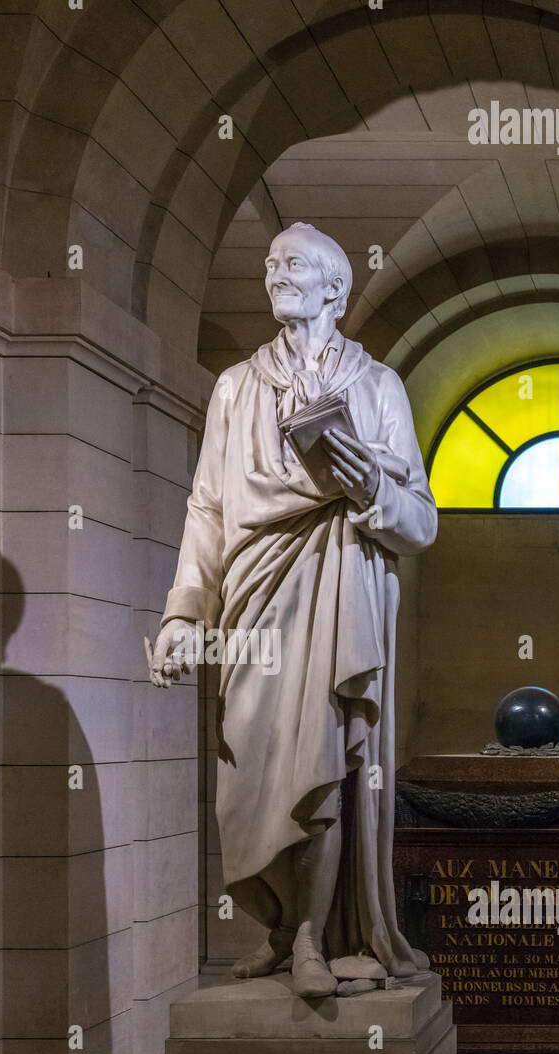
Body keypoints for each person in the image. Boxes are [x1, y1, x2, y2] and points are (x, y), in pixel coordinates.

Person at [147, 222, 437, 998]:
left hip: (338, 591)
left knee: (321, 765)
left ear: (336, 288)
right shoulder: (236, 387)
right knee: (245, 776)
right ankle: (279, 927)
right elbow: (207, 506)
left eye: (295, 264)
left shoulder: (376, 387)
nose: (277, 272)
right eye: (271, 262)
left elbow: (421, 521)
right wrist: (183, 612)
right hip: (251, 599)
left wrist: (369, 488)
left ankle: (311, 935)